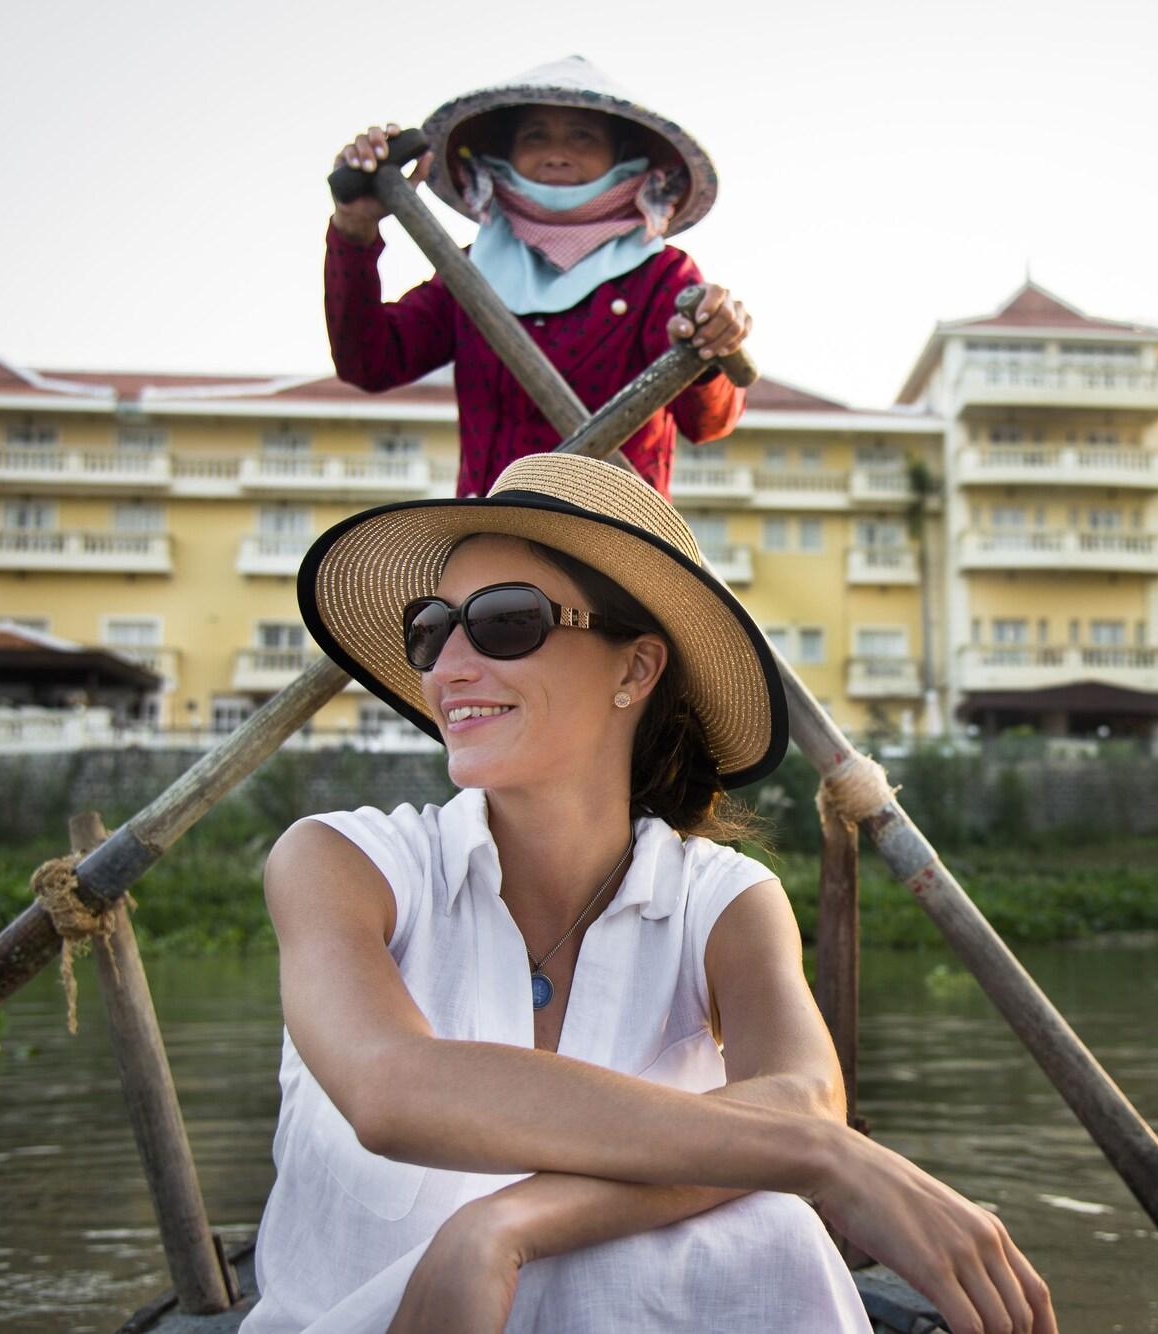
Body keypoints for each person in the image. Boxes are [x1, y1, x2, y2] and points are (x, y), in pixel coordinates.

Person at [245, 453, 1055, 1332]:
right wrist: (821, 1156)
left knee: (773, 1228)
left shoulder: (723, 900)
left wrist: (506, 1224)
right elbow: (391, 1089)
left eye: (506, 622)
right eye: (433, 629)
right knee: (775, 1201)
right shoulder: (340, 862)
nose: (449, 667)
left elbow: (802, 1098)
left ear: (635, 670)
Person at [325, 56, 750, 499]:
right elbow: (368, 361)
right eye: (535, 135)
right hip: (492, 535)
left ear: (622, 156)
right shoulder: (468, 271)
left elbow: (708, 422)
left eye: (582, 136)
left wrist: (709, 342)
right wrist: (353, 234)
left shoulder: (660, 276)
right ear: (504, 155)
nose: (557, 153)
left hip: (613, 539)